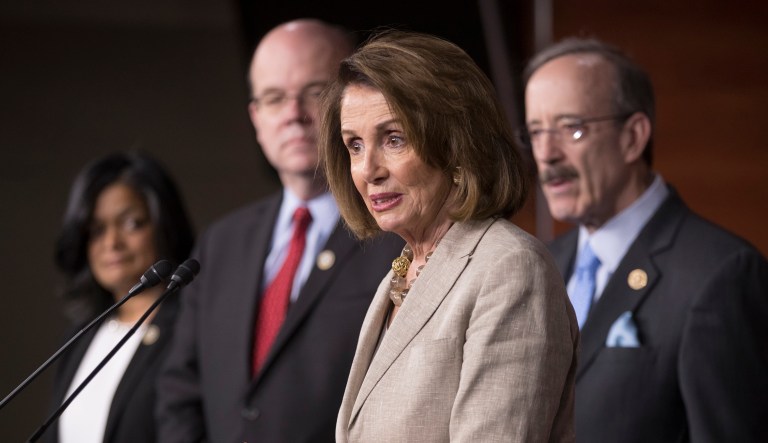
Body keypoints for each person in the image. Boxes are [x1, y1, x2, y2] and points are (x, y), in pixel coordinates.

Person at [319, 31, 578, 442]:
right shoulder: (401, 273)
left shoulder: (509, 268)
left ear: (456, 145)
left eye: (394, 139)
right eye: (354, 145)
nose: (369, 169)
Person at [155, 19, 403, 443]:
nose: (294, 115)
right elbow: (180, 391)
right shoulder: (220, 243)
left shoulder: (399, 233)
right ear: (255, 117)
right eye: (274, 98)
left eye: (314, 92)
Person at [520, 37, 768, 442]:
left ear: (632, 137)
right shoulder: (539, 262)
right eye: (535, 132)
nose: (546, 154)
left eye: (572, 129)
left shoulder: (721, 274)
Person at [48, 151, 194, 443]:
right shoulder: (80, 336)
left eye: (132, 223)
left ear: (165, 224)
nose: (111, 243)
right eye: (96, 230)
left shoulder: (191, 330)